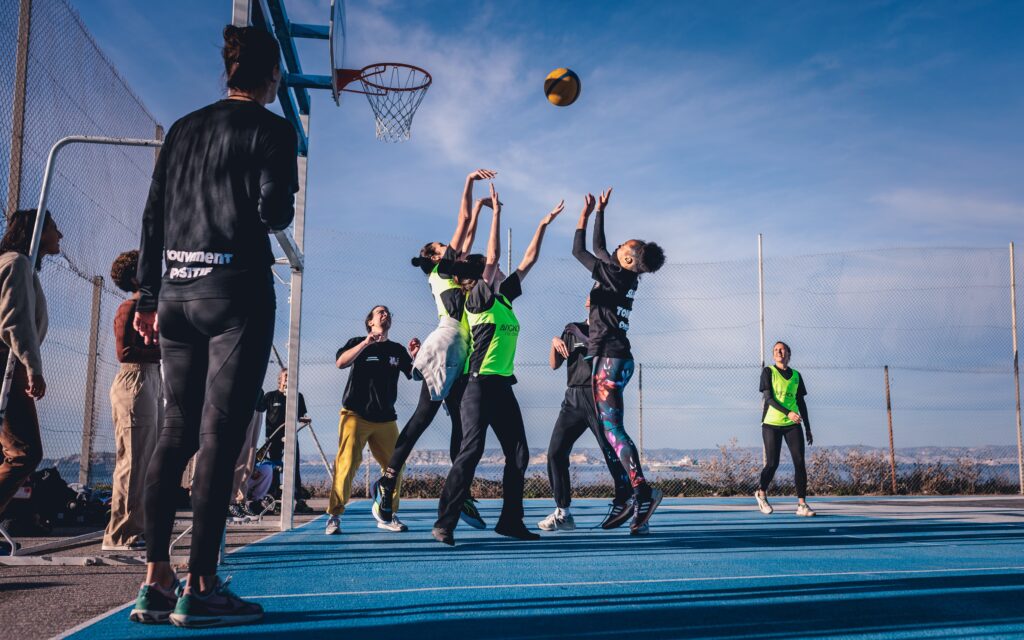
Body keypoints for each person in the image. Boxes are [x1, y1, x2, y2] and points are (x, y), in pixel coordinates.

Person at [130, 25, 297, 628]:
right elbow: (275, 210)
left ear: (228, 74)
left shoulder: (182, 129)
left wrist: (149, 294)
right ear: (272, 78)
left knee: (175, 430)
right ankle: (200, 584)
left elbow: (153, 216)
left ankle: (154, 580)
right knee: (220, 435)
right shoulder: (273, 129)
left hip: (174, 292)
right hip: (236, 292)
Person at [432, 183, 564, 546]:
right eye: (491, 271)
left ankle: (510, 521)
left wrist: (543, 224)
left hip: (503, 386)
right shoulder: (477, 298)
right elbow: (491, 258)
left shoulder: (504, 299)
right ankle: (445, 522)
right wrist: (496, 213)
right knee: (470, 451)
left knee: (518, 453)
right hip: (477, 385)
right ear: (480, 278)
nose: (500, 270)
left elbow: (529, 261)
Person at [372, 169, 494, 531]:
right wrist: (470, 184)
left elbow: (467, 231)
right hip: (446, 345)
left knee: (462, 421)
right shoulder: (439, 272)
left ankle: (461, 491)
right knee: (422, 419)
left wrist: (482, 211)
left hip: (464, 350)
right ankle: (387, 481)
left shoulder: (453, 272)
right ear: (433, 256)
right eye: (442, 248)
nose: (449, 248)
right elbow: (463, 223)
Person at [572, 188, 666, 535]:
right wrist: (600, 212)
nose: (615, 248)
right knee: (610, 430)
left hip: (610, 360)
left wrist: (587, 216)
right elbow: (600, 250)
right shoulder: (622, 275)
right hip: (617, 358)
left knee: (612, 429)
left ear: (629, 258)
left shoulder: (615, 274)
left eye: (623, 247)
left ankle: (641, 492)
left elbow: (581, 250)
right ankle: (633, 493)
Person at [538, 295, 632, 532]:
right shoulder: (572, 329)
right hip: (572, 399)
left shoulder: (610, 332)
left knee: (612, 451)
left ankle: (633, 506)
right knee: (555, 453)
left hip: (598, 397)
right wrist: (554, 342)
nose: (592, 301)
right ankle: (563, 513)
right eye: (591, 298)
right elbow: (554, 365)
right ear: (587, 304)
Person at [325, 305, 417, 535]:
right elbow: (340, 363)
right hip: (355, 415)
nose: (385, 314)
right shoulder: (357, 342)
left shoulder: (396, 349)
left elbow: (415, 374)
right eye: (380, 312)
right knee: (346, 466)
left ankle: (387, 514)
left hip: (386, 419)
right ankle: (335, 516)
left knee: (396, 467)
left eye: (387, 313)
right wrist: (366, 343)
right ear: (370, 322)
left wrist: (417, 356)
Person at [0, 209, 60, 554]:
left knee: (16, 451)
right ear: (36, 230)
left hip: (9, 362)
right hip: (5, 363)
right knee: (25, 452)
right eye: (54, 228)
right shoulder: (17, 263)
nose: (60, 236)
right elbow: (14, 321)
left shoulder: (13, 263)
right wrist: (32, 368)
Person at [103, 250, 162, 552]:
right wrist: (166, 351)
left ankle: (140, 525)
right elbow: (124, 352)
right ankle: (120, 533)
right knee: (133, 460)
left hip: (152, 379)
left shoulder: (151, 307)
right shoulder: (129, 308)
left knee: (149, 458)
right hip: (134, 380)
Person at [755, 341, 815, 517]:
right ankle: (761, 493)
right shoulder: (768, 372)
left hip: (792, 425)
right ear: (773, 355)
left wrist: (808, 428)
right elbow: (769, 399)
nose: (778, 352)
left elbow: (801, 403)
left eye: (782, 349)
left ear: (788, 353)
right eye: (775, 350)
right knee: (773, 463)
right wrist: (788, 412)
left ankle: (802, 504)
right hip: (771, 424)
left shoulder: (796, 375)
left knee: (799, 463)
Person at [262, 368, 310, 504]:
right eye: (286, 376)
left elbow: (302, 415)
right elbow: (259, 409)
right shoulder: (270, 396)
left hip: (291, 438)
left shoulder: (297, 396)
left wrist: (305, 419)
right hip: (273, 438)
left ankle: (298, 499)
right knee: (274, 467)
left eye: (291, 376)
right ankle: (273, 498)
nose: (288, 379)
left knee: (294, 467)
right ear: (280, 379)